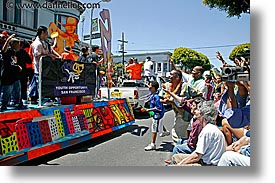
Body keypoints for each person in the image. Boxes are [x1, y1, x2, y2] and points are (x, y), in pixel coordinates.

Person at [171, 101, 226, 166]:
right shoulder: (212, 128)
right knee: (176, 157)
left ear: (203, 115)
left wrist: (180, 164)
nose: (195, 112)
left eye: (198, 110)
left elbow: (197, 156)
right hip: (207, 160)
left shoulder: (207, 131)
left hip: (207, 164)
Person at [161, 70, 202, 144]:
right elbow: (160, 98)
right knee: (182, 133)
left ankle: (178, 149)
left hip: (186, 113)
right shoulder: (167, 86)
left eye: (171, 74)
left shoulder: (186, 86)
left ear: (177, 77)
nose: (169, 76)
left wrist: (186, 102)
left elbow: (199, 96)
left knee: (176, 132)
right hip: (177, 112)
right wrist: (167, 101)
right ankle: (183, 148)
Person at [28, 25, 51, 104]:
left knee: (37, 83)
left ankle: (36, 98)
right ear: (42, 33)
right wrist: (48, 56)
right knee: (38, 84)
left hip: (44, 69)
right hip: (39, 68)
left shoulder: (44, 43)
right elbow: (37, 56)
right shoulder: (37, 43)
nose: (47, 35)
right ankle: (38, 98)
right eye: (46, 33)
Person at [0, 35, 22, 110]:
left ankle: (17, 103)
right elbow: (3, 51)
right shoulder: (8, 51)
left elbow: (12, 62)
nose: (19, 46)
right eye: (17, 44)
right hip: (8, 75)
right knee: (7, 92)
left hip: (15, 75)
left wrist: (18, 66)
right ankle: (4, 105)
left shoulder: (14, 53)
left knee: (17, 90)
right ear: (12, 44)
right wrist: (8, 40)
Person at [144, 81, 166, 151]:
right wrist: (146, 83)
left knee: (154, 129)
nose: (149, 88)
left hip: (158, 115)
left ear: (154, 88)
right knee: (157, 125)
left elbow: (158, 108)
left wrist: (149, 110)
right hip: (156, 115)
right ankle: (165, 131)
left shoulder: (156, 97)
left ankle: (153, 144)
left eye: (150, 86)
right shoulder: (153, 94)